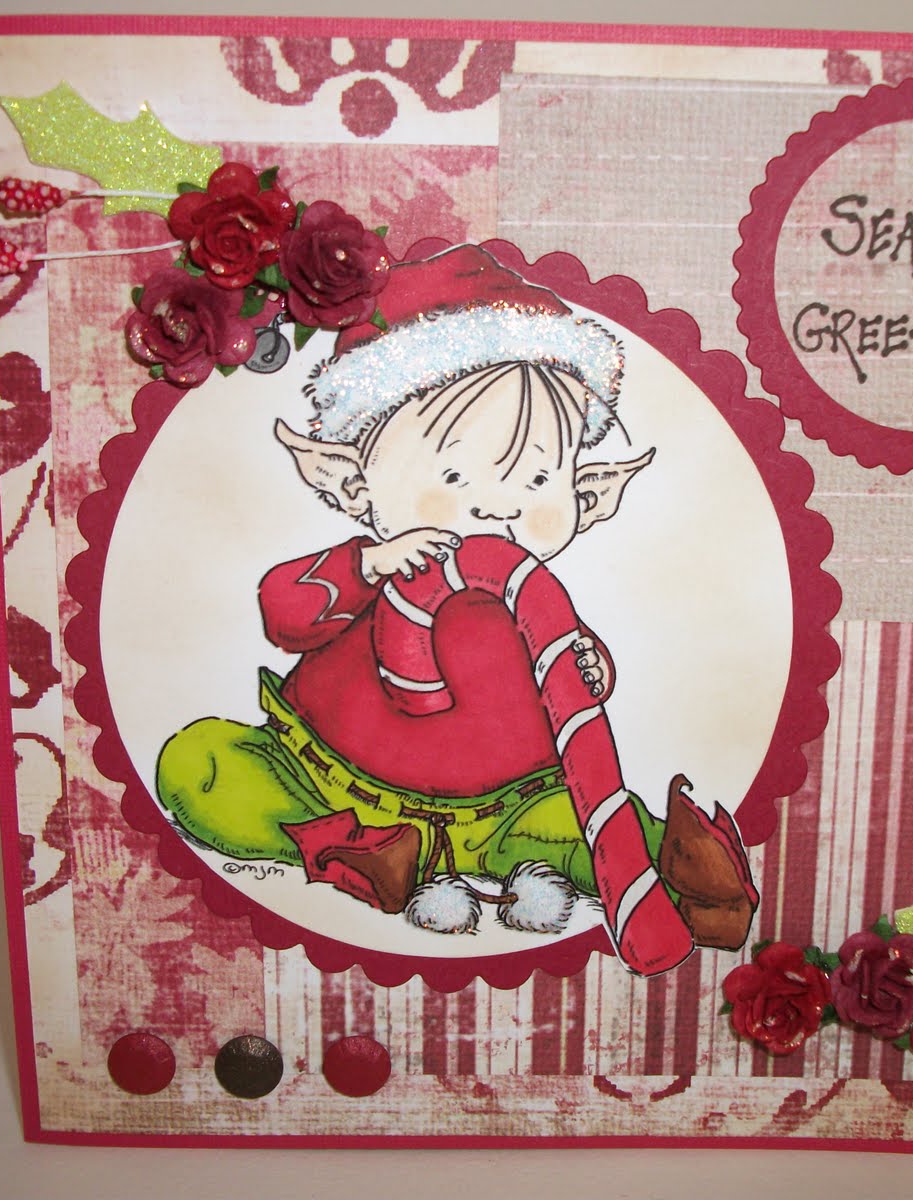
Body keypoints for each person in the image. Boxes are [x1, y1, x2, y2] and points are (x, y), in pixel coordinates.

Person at [156, 245, 755, 976]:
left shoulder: (531, 595)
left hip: (504, 808)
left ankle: (678, 865)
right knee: (204, 763)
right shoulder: (378, 567)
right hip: (328, 779)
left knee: (579, 822)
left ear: (588, 494)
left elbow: (570, 675)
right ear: (351, 482)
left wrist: (590, 665)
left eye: (536, 479)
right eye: (453, 474)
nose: (499, 504)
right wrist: (368, 565)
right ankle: (350, 851)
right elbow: (286, 614)